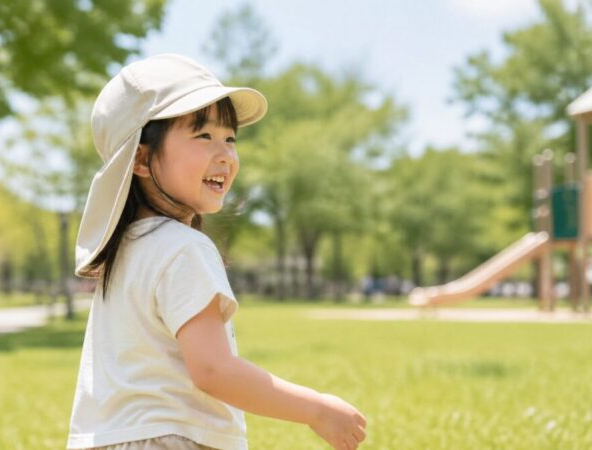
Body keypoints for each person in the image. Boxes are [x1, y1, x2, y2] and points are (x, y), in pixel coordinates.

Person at [67, 54, 367, 450]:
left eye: (230, 138)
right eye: (203, 136)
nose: (225, 154)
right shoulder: (183, 247)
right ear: (140, 158)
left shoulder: (126, 253)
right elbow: (212, 369)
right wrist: (316, 409)